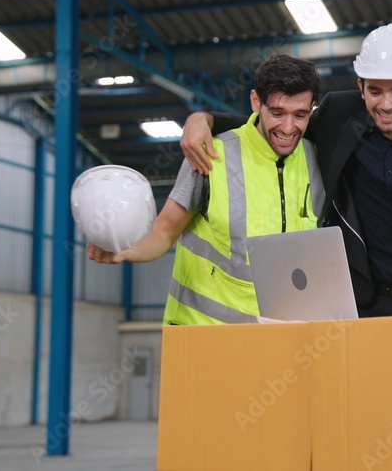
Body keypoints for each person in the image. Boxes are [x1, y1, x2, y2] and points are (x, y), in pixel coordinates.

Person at [180, 24, 392, 317]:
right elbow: (280, 124)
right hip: (371, 307)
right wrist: (203, 119)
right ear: (360, 87)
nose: (386, 104)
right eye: (375, 91)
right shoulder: (339, 116)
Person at [87, 54, 324, 325]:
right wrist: (123, 250)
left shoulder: (316, 159)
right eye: (278, 113)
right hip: (204, 334)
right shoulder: (211, 154)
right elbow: (163, 232)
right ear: (256, 102)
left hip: (276, 336)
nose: (288, 127)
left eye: (300, 115)